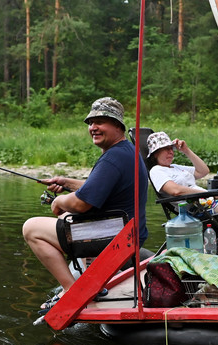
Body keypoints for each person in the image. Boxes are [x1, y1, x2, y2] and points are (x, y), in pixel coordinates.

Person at [22, 97, 148, 310]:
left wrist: (60, 201)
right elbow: (100, 186)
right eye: (90, 123)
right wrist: (66, 182)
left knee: (31, 228)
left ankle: (72, 292)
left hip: (113, 236)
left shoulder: (112, 159)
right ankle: (90, 282)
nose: (93, 127)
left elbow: (81, 204)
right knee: (64, 220)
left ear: (117, 125)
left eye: (100, 121)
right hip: (130, 232)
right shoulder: (127, 152)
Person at [145, 131, 218, 217]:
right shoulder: (157, 170)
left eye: (171, 148)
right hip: (198, 208)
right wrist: (206, 194)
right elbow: (175, 191)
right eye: (165, 149)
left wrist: (186, 150)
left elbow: (203, 171)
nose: (171, 151)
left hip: (207, 201)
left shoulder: (176, 167)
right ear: (155, 154)